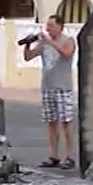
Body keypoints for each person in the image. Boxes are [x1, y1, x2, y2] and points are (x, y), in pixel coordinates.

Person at [23, 15, 77, 169]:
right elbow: (28, 57)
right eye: (47, 26)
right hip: (48, 87)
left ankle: (69, 156)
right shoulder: (44, 44)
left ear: (61, 26)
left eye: (52, 26)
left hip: (63, 87)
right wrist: (27, 45)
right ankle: (54, 155)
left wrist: (50, 42)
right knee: (51, 123)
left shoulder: (68, 40)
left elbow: (67, 54)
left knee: (66, 123)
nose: (48, 29)